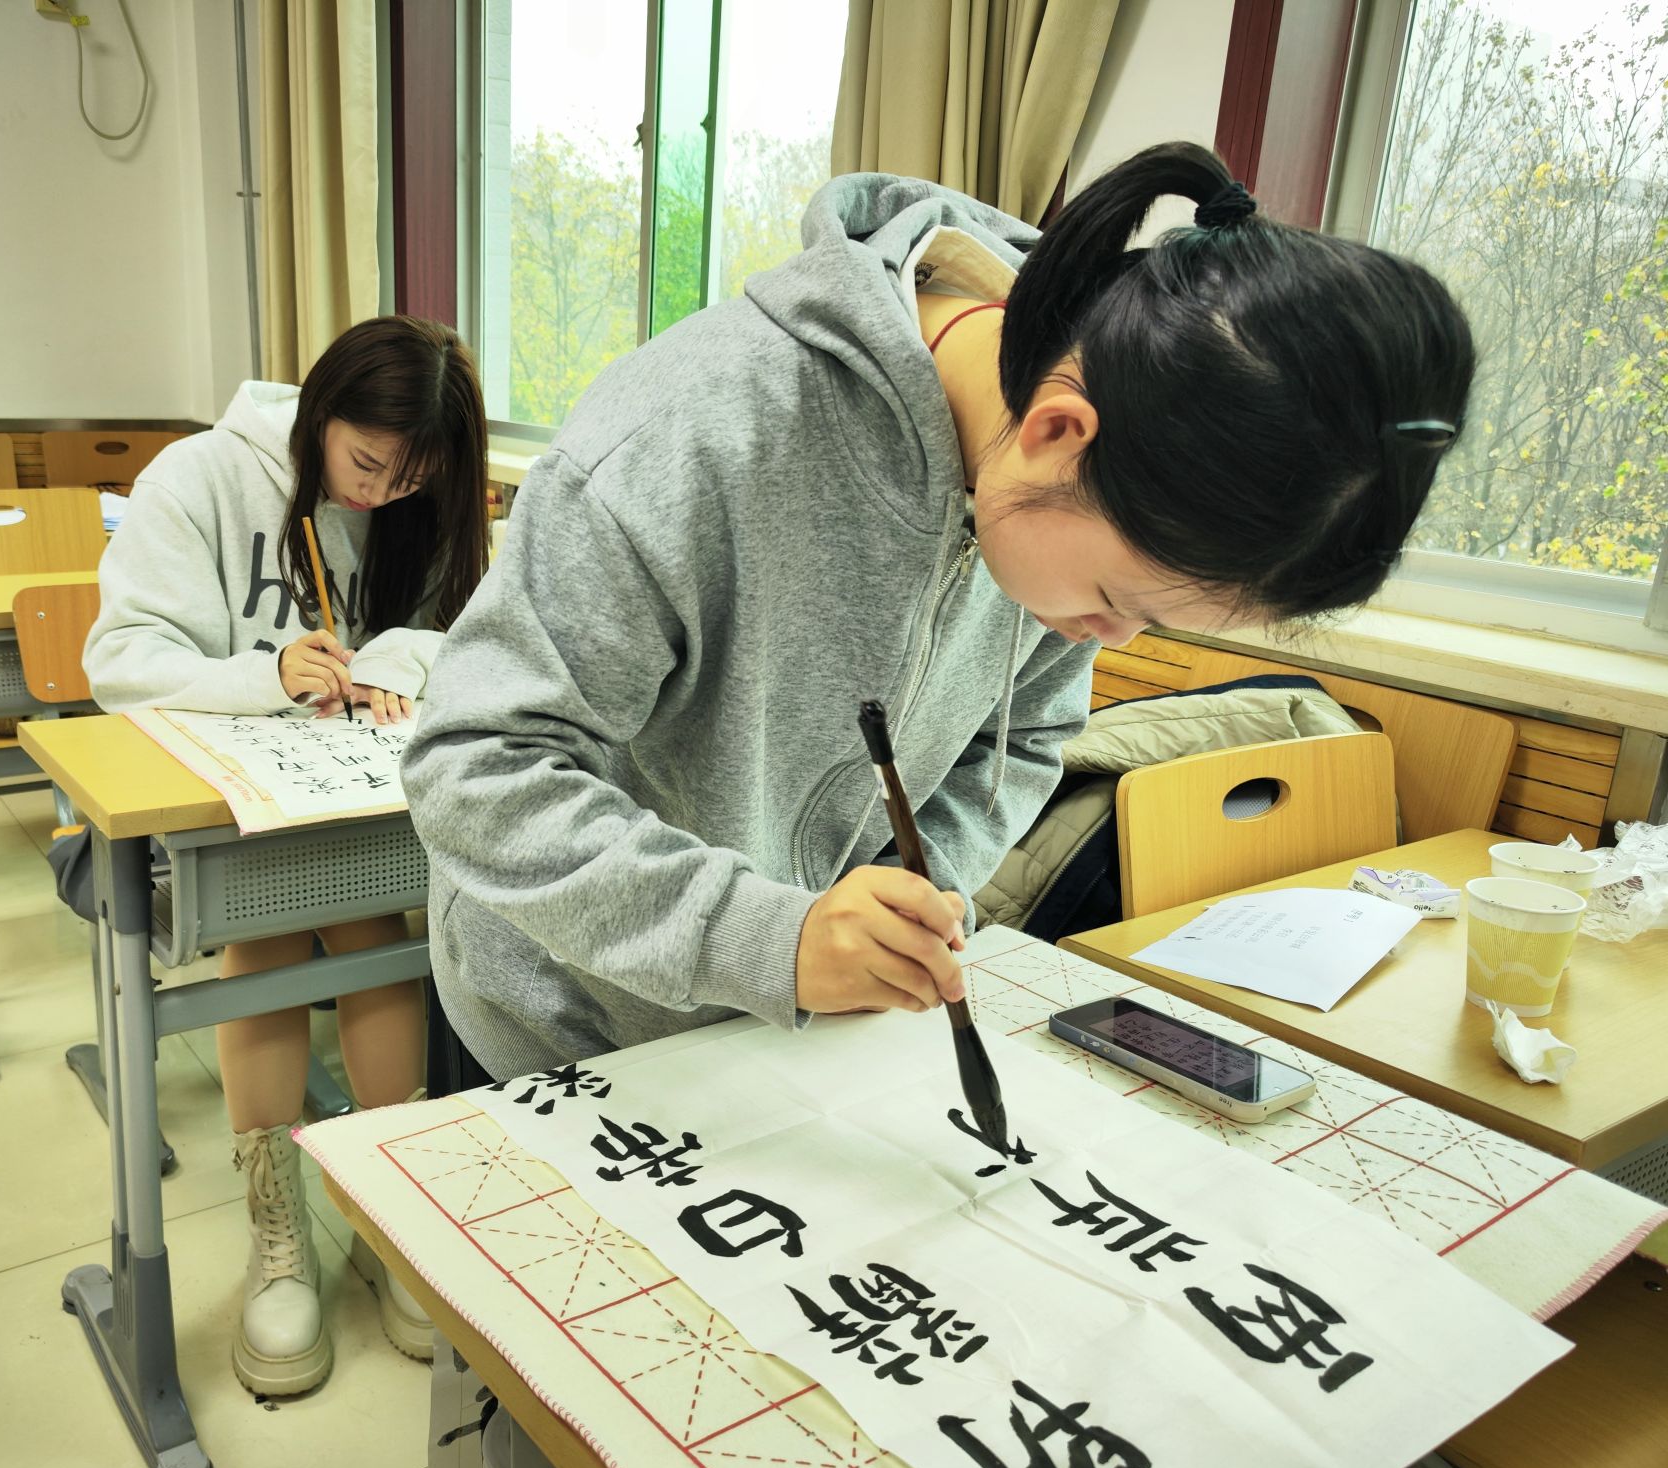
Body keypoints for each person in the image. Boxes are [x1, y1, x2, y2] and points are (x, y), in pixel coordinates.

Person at [399, 141, 1474, 1081]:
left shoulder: (1086, 465)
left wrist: (901, 903)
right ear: (1058, 434)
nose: (1110, 638)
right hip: (567, 1023)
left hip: (792, 1042)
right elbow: (475, 767)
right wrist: (764, 938)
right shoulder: (692, 436)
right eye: (1116, 600)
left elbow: (1028, 735)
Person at [85, 314, 489, 1392]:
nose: (382, 494)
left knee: (380, 935)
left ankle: (387, 1201)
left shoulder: (418, 497)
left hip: (355, 792)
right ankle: (281, 1233)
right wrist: (265, 674)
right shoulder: (199, 479)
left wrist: (396, 659)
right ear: (320, 414)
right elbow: (119, 660)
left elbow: (464, 631)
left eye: (411, 479)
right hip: (227, 801)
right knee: (268, 933)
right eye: (365, 464)